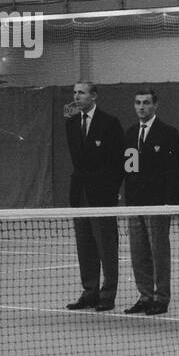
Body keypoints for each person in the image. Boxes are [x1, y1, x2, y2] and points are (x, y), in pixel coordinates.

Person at [64, 81, 125, 312]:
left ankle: (107, 294)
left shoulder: (110, 123)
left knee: (106, 246)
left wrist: (112, 190)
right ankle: (90, 291)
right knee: (85, 245)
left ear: (94, 96)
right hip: (79, 195)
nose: (76, 96)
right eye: (74, 93)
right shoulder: (70, 124)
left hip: (103, 197)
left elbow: (120, 161)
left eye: (81, 92)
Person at [123, 89, 179, 316]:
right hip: (135, 205)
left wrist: (170, 203)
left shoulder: (168, 133)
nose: (141, 107)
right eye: (138, 103)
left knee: (159, 253)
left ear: (155, 106)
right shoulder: (130, 134)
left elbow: (175, 171)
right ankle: (145, 296)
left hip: (158, 204)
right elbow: (130, 169)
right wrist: (129, 200)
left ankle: (161, 297)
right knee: (138, 253)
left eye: (146, 103)